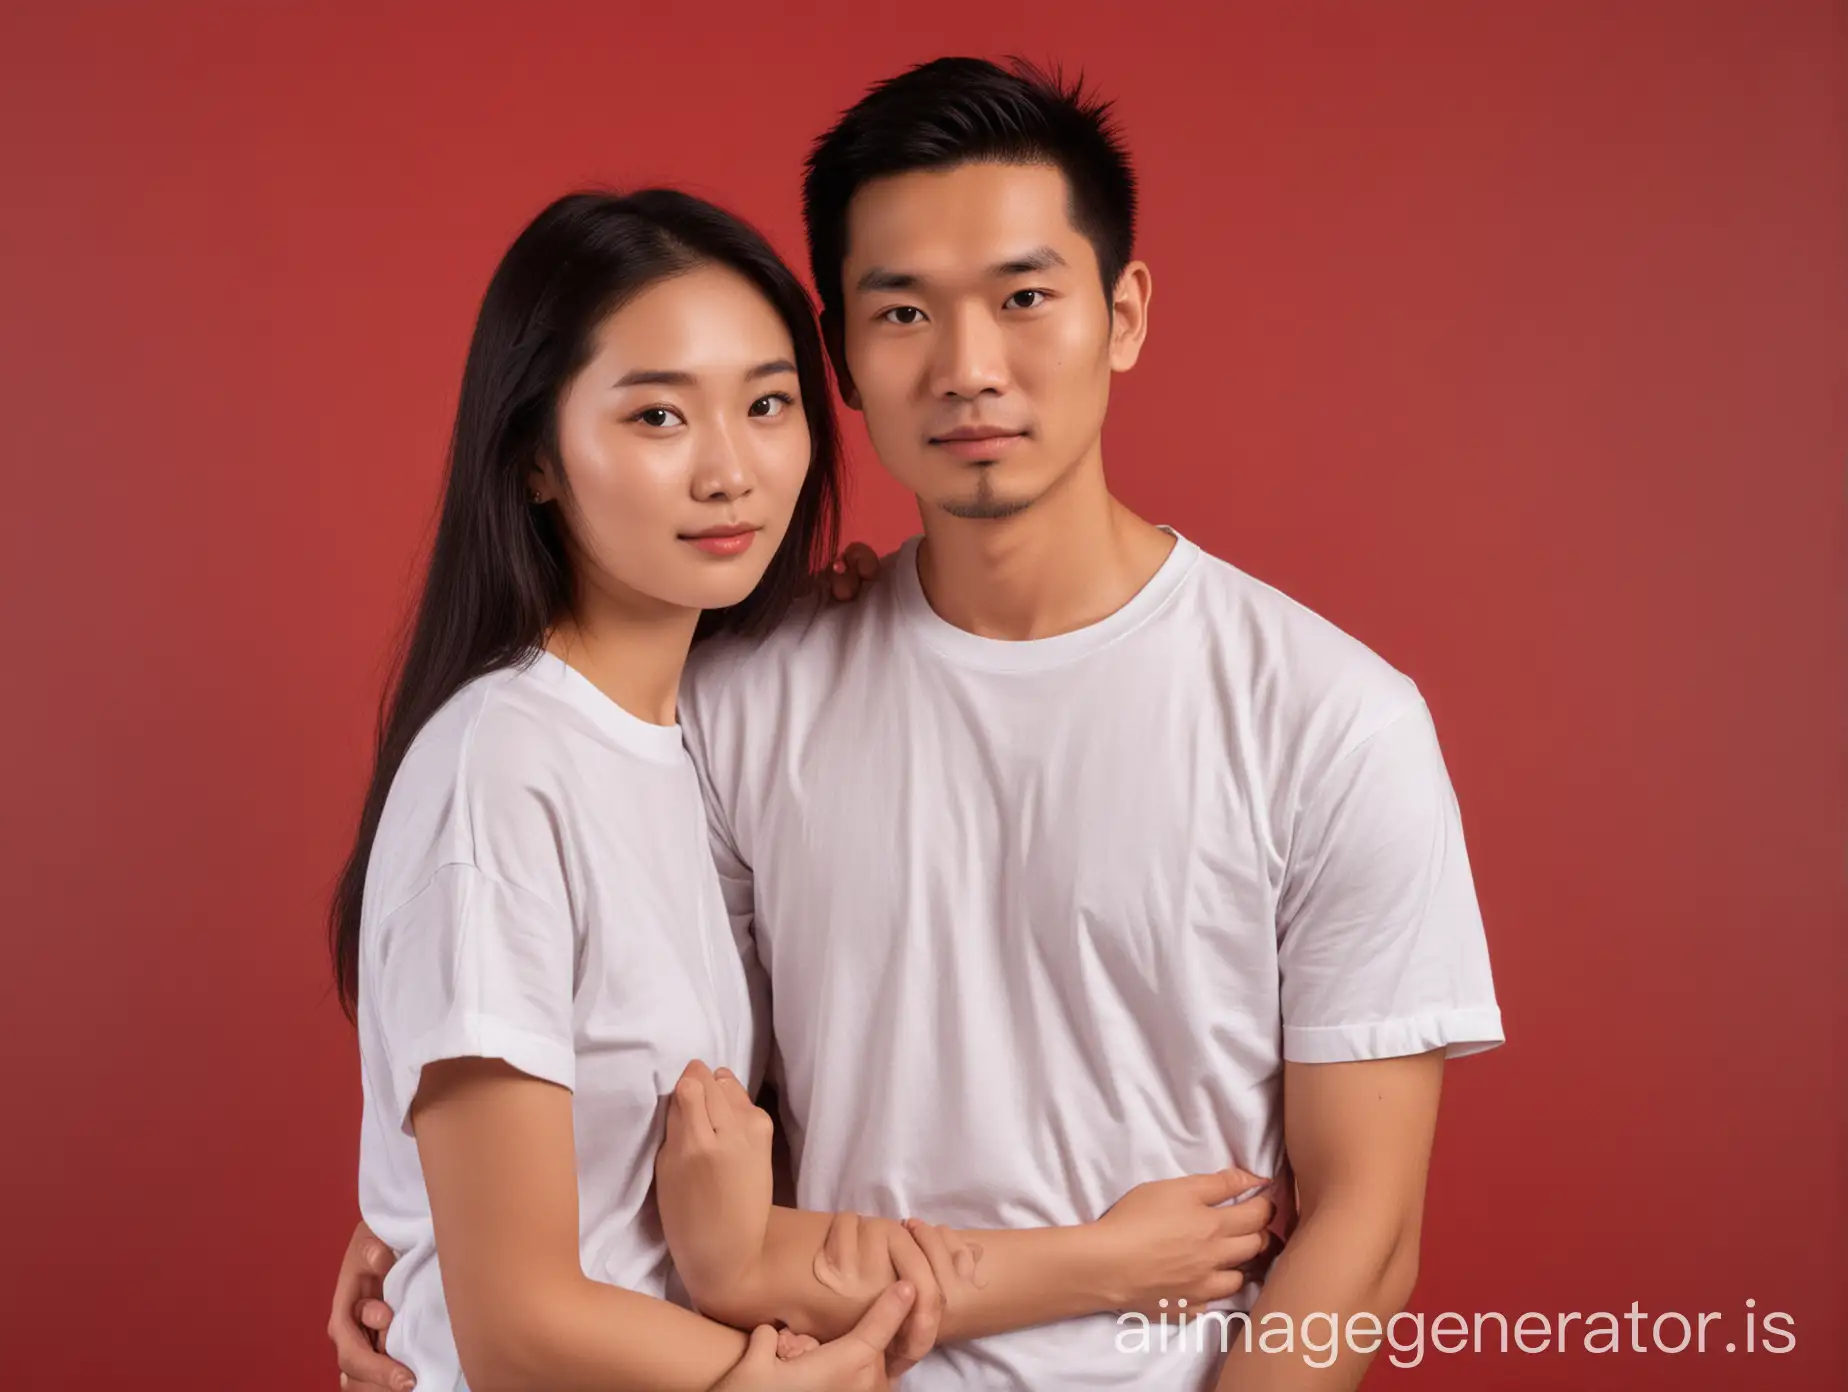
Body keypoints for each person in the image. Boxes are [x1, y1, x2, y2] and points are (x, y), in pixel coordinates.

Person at [335, 55, 1503, 1391]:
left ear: (1122, 314)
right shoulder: (727, 700)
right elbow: (591, 1110)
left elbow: (1365, 1236)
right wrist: (426, 1240)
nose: (968, 368)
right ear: (843, 354)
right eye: (903, 314)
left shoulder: (1332, 720)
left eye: (1024, 299)